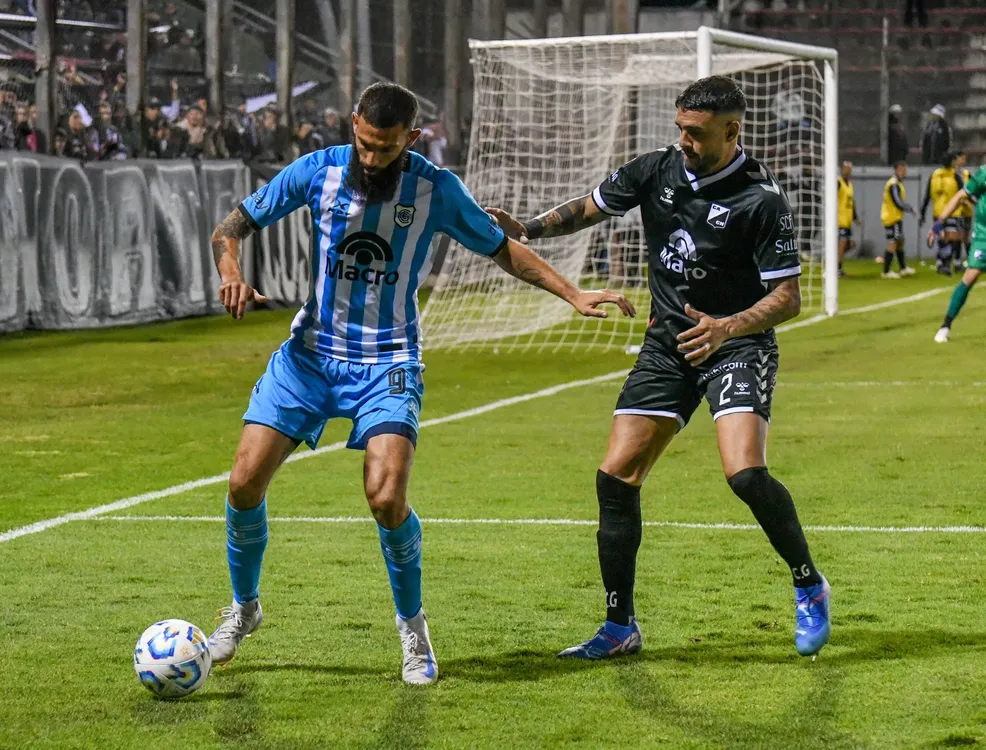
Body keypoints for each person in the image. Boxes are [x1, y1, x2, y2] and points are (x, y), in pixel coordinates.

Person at [205, 82, 633, 685]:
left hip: (388, 360)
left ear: (412, 137)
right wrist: (230, 269)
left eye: (385, 147)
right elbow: (231, 228)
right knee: (243, 483)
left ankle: (413, 629)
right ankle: (244, 610)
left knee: (385, 496)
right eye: (363, 142)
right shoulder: (316, 171)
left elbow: (501, 249)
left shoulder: (435, 189)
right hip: (309, 356)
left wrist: (572, 292)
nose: (372, 157)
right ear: (352, 124)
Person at [488, 75, 830, 660]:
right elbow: (589, 208)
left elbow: (789, 297)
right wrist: (531, 227)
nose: (685, 142)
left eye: (695, 133)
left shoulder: (762, 199)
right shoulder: (657, 168)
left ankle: (808, 584)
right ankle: (620, 627)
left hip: (736, 347)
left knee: (745, 475)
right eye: (679, 129)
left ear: (732, 130)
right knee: (615, 476)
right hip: (667, 346)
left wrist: (728, 326)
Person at [932, 162, 986, 343]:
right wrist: (940, 222)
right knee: (971, 276)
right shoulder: (984, 173)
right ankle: (945, 325)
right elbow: (961, 196)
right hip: (984, 237)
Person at [921, 151, 965, 275]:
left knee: (948, 238)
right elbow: (928, 195)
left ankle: (942, 262)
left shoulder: (950, 175)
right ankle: (944, 263)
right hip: (945, 212)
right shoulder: (942, 175)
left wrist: (923, 212)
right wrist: (923, 212)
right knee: (946, 238)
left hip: (946, 212)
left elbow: (962, 192)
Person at [879, 162, 917, 278]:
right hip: (891, 218)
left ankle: (903, 268)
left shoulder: (897, 184)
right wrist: (910, 208)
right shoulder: (893, 184)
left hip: (895, 217)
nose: (904, 173)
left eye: (905, 171)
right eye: (902, 170)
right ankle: (886, 271)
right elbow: (897, 202)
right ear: (896, 170)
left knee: (900, 241)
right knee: (893, 242)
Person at [837, 160, 861, 276]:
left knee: (849, 245)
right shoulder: (838, 182)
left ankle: (833, 263)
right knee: (842, 244)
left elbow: (852, 203)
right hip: (838, 220)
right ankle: (837, 269)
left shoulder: (850, 185)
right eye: (847, 169)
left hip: (847, 221)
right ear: (842, 170)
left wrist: (855, 217)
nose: (849, 172)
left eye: (850, 170)